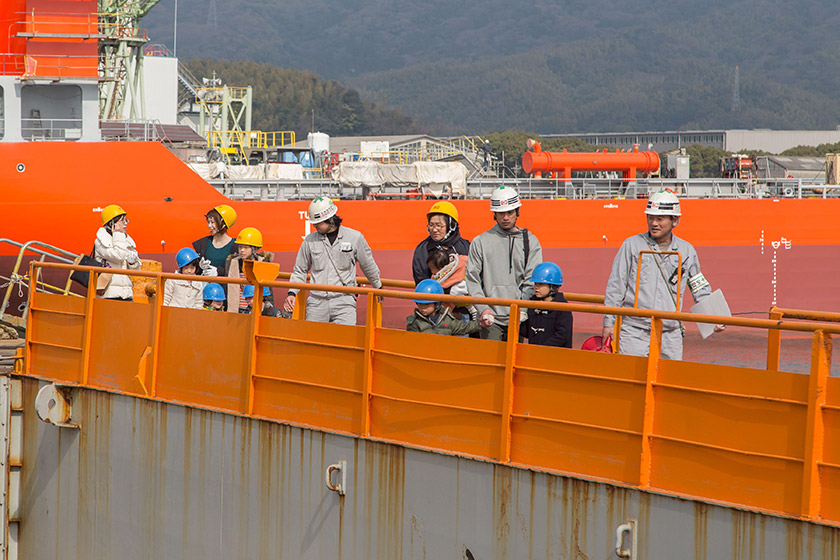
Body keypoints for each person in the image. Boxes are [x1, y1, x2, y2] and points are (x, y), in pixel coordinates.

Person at [601, 190, 723, 360]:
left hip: (670, 332)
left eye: (660, 219)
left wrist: (714, 316)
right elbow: (616, 286)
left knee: (669, 382)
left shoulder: (686, 251)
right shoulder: (632, 246)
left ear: (675, 220)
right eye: (650, 218)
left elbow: (699, 287)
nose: (654, 223)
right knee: (632, 382)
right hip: (635, 331)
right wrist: (608, 323)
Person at [283, 197, 381, 325]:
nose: (314, 225)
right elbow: (300, 270)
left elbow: (368, 265)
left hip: (344, 301)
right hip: (316, 303)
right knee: (313, 343)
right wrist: (292, 293)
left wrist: (377, 286)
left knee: (345, 341)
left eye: (318, 223)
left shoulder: (354, 238)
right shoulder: (309, 241)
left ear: (330, 220)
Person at [465, 185, 542, 341]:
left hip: (518, 316)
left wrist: (523, 308)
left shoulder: (530, 242)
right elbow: (472, 279)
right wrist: (483, 309)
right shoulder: (480, 242)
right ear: (494, 214)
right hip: (490, 317)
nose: (505, 217)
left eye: (510, 212)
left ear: (517, 213)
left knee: (515, 363)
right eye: (501, 213)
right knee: (491, 362)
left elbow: (532, 279)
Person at [411, 201, 470, 284]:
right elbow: (421, 279)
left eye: (439, 225)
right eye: (431, 225)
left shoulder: (465, 246)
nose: (434, 230)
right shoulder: (423, 249)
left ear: (452, 225)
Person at [519, 262, 573, 347]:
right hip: (536, 354)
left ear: (553, 287)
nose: (536, 287)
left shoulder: (562, 307)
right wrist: (519, 323)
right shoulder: (533, 304)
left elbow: (562, 335)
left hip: (556, 356)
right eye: (535, 284)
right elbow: (528, 332)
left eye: (541, 284)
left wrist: (543, 349)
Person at [94, 204, 140, 300]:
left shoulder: (127, 240)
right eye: (122, 221)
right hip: (108, 294)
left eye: (126, 220)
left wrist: (133, 263)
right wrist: (118, 233)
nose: (126, 223)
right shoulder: (101, 241)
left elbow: (135, 271)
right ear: (112, 223)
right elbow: (119, 255)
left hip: (126, 294)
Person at [406, 279, 482, 336]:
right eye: (419, 304)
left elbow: (464, 327)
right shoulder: (415, 322)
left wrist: (481, 324)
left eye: (427, 305)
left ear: (437, 304)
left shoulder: (447, 319)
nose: (422, 308)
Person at [225, 227, 273, 313]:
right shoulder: (233, 263)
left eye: (246, 247)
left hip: (256, 309)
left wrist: (267, 311)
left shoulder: (263, 263)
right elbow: (229, 288)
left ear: (255, 249)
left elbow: (268, 292)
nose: (242, 250)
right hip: (238, 310)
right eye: (240, 247)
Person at [427, 248, 475, 320]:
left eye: (432, 268)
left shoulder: (457, 265)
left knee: (473, 309)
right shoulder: (440, 275)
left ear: (440, 268)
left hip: (465, 292)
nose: (431, 271)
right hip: (457, 300)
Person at [192, 204, 237, 276]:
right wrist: (199, 266)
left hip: (225, 286)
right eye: (208, 222)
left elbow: (238, 270)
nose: (209, 226)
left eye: (213, 222)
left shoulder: (236, 246)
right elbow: (192, 270)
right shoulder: (203, 244)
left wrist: (218, 271)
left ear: (224, 223)